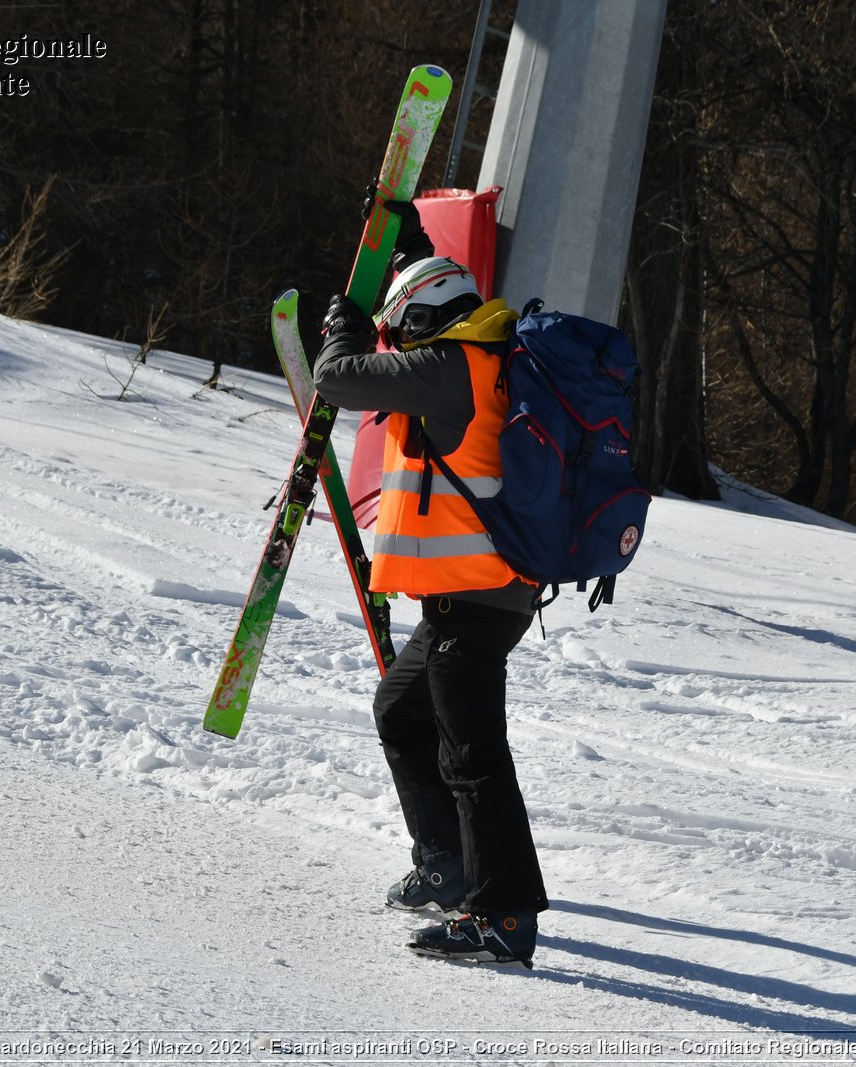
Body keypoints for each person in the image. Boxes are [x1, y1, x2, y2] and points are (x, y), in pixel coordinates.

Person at [312, 198, 546, 967]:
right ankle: (447, 860)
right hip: (483, 594)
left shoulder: (448, 366)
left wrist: (343, 322)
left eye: (399, 325)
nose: (397, 340)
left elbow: (341, 378)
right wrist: (407, 244)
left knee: (474, 757)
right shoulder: (490, 356)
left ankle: (503, 919)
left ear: (421, 320)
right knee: (403, 712)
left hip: (472, 599)